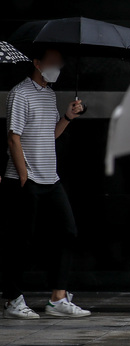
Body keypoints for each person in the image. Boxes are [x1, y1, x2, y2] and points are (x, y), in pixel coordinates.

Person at [0, 47, 90, 319]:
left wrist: (68, 117)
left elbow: (50, 135)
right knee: (20, 241)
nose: (57, 68)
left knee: (67, 232)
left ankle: (58, 299)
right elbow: (13, 137)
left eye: (59, 64)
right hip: (25, 179)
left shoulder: (49, 94)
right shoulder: (20, 93)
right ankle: (13, 299)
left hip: (51, 178)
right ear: (37, 63)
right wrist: (24, 175)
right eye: (52, 63)